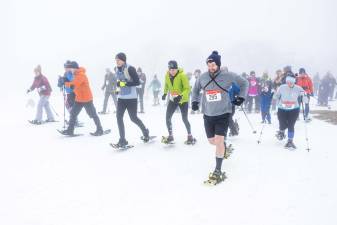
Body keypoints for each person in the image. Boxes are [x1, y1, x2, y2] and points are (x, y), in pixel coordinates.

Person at [191, 51, 248, 184]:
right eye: (209, 65)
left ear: (218, 64)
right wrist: (194, 101)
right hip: (208, 113)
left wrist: (241, 97)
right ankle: (223, 146)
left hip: (223, 113)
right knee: (213, 142)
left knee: (219, 140)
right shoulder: (203, 77)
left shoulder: (228, 75)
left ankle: (218, 169)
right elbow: (195, 89)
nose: (211, 67)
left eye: (213, 64)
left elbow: (244, 83)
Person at [114, 53, 150, 147]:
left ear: (123, 60)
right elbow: (118, 82)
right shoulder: (116, 69)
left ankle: (145, 132)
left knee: (133, 118)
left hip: (131, 98)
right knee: (118, 118)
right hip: (121, 98)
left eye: (118, 60)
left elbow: (137, 82)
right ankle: (122, 140)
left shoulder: (130, 68)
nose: (117, 62)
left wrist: (124, 84)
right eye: (116, 60)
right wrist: (117, 91)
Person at [58, 61, 104, 136]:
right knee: (73, 114)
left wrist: (64, 82)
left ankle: (100, 129)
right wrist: (63, 80)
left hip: (87, 99)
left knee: (93, 114)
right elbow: (71, 82)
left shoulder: (81, 75)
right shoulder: (75, 75)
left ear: (75, 68)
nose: (70, 70)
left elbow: (74, 84)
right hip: (79, 99)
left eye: (71, 68)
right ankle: (70, 130)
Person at [161, 60, 195, 144]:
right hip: (173, 99)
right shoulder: (167, 75)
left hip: (183, 100)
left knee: (184, 118)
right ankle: (170, 135)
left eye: (174, 70)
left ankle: (190, 136)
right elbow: (166, 85)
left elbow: (187, 88)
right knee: (167, 117)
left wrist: (180, 96)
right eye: (170, 70)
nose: (172, 71)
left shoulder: (182, 76)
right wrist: (165, 93)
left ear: (177, 69)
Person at [274, 74, 304, 149]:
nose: (289, 83)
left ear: (294, 82)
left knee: (291, 125)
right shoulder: (282, 87)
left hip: (294, 110)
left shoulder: (298, 88)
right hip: (282, 109)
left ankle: (290, 141)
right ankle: (281, 132)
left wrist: (304, 95)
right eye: (288, 81)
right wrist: (274, 94)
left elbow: (305, 100)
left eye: (291, 82)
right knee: (282, 123)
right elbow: (276, 96)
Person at [58, 60, 81, 127]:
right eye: (65, 67)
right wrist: (60, 83)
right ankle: (74, 120)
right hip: (68, 92)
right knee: (70, 106)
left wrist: (64, 80)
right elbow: (64, 82)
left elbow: (72, 81)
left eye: (66, 67)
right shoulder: (66, 73)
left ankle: (74, 120)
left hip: (73, 92)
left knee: (71, 106)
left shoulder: (71, 73)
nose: (65, 69)